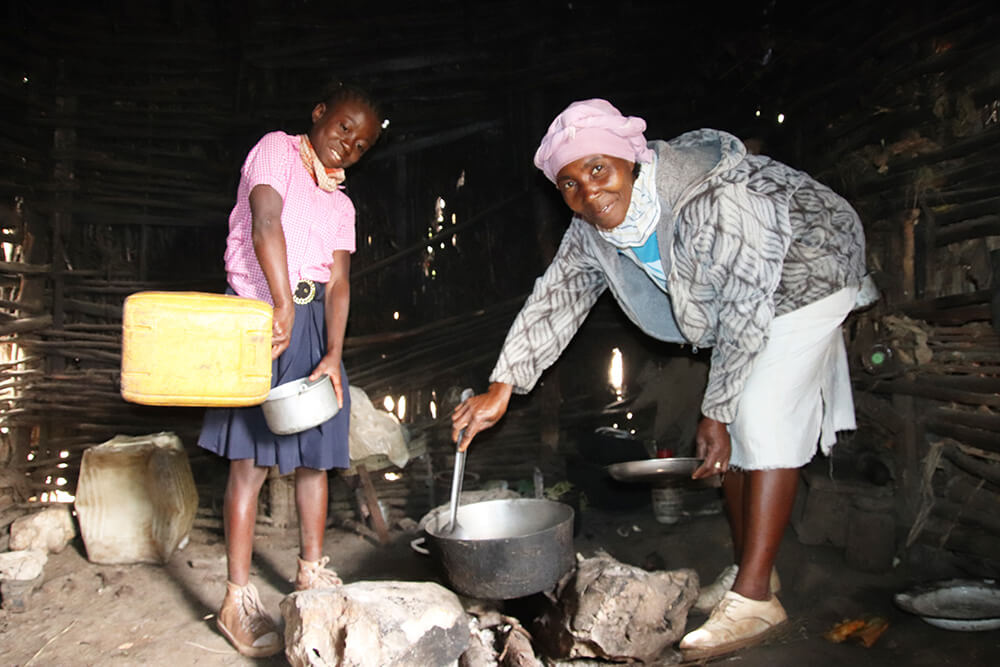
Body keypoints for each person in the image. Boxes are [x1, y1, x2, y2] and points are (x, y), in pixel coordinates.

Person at [451, 98, 870, 659]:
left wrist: (717, 410)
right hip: (742, 299)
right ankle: (758, 574)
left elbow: (748, 304)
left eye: (597, 169)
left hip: (810, 272)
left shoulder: (711, 196)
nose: (588, 192)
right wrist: (503, 386)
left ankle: (754, 601)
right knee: (736, 428)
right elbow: (557, 297)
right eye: (569, 184)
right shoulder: (592, 228)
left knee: (760, 415)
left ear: (631, 160)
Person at [197, 84, 382, 658]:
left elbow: (339, 282)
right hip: (261, 313)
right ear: (319, 113)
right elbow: (266, 222)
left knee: (315, 460)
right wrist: (280, 303)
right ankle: (236, 598)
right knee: (249, 463)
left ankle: (309, 572)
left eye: (362, 143)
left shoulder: (341, 203)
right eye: (344, 127)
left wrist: (333, 351)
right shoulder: (276, 150)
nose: (349, 144)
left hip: (309, 325)